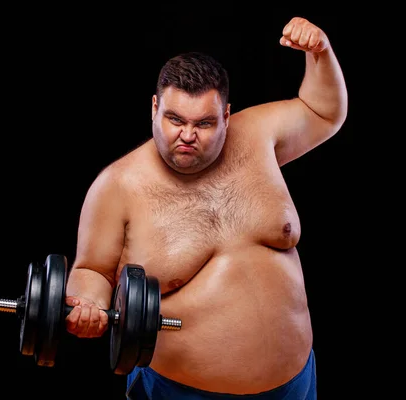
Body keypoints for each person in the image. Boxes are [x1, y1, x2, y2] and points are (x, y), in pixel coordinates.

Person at [65, 16, 348, 399]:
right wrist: (87, 304)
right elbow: (92, 270)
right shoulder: (116, 187)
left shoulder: (257, 133)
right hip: (179, 390)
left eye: (204, 123)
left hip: (293, 383)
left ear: (227, 116)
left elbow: (322, 112)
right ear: (154, 108)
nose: (187, 135)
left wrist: (320, 53)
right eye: (174, 119)